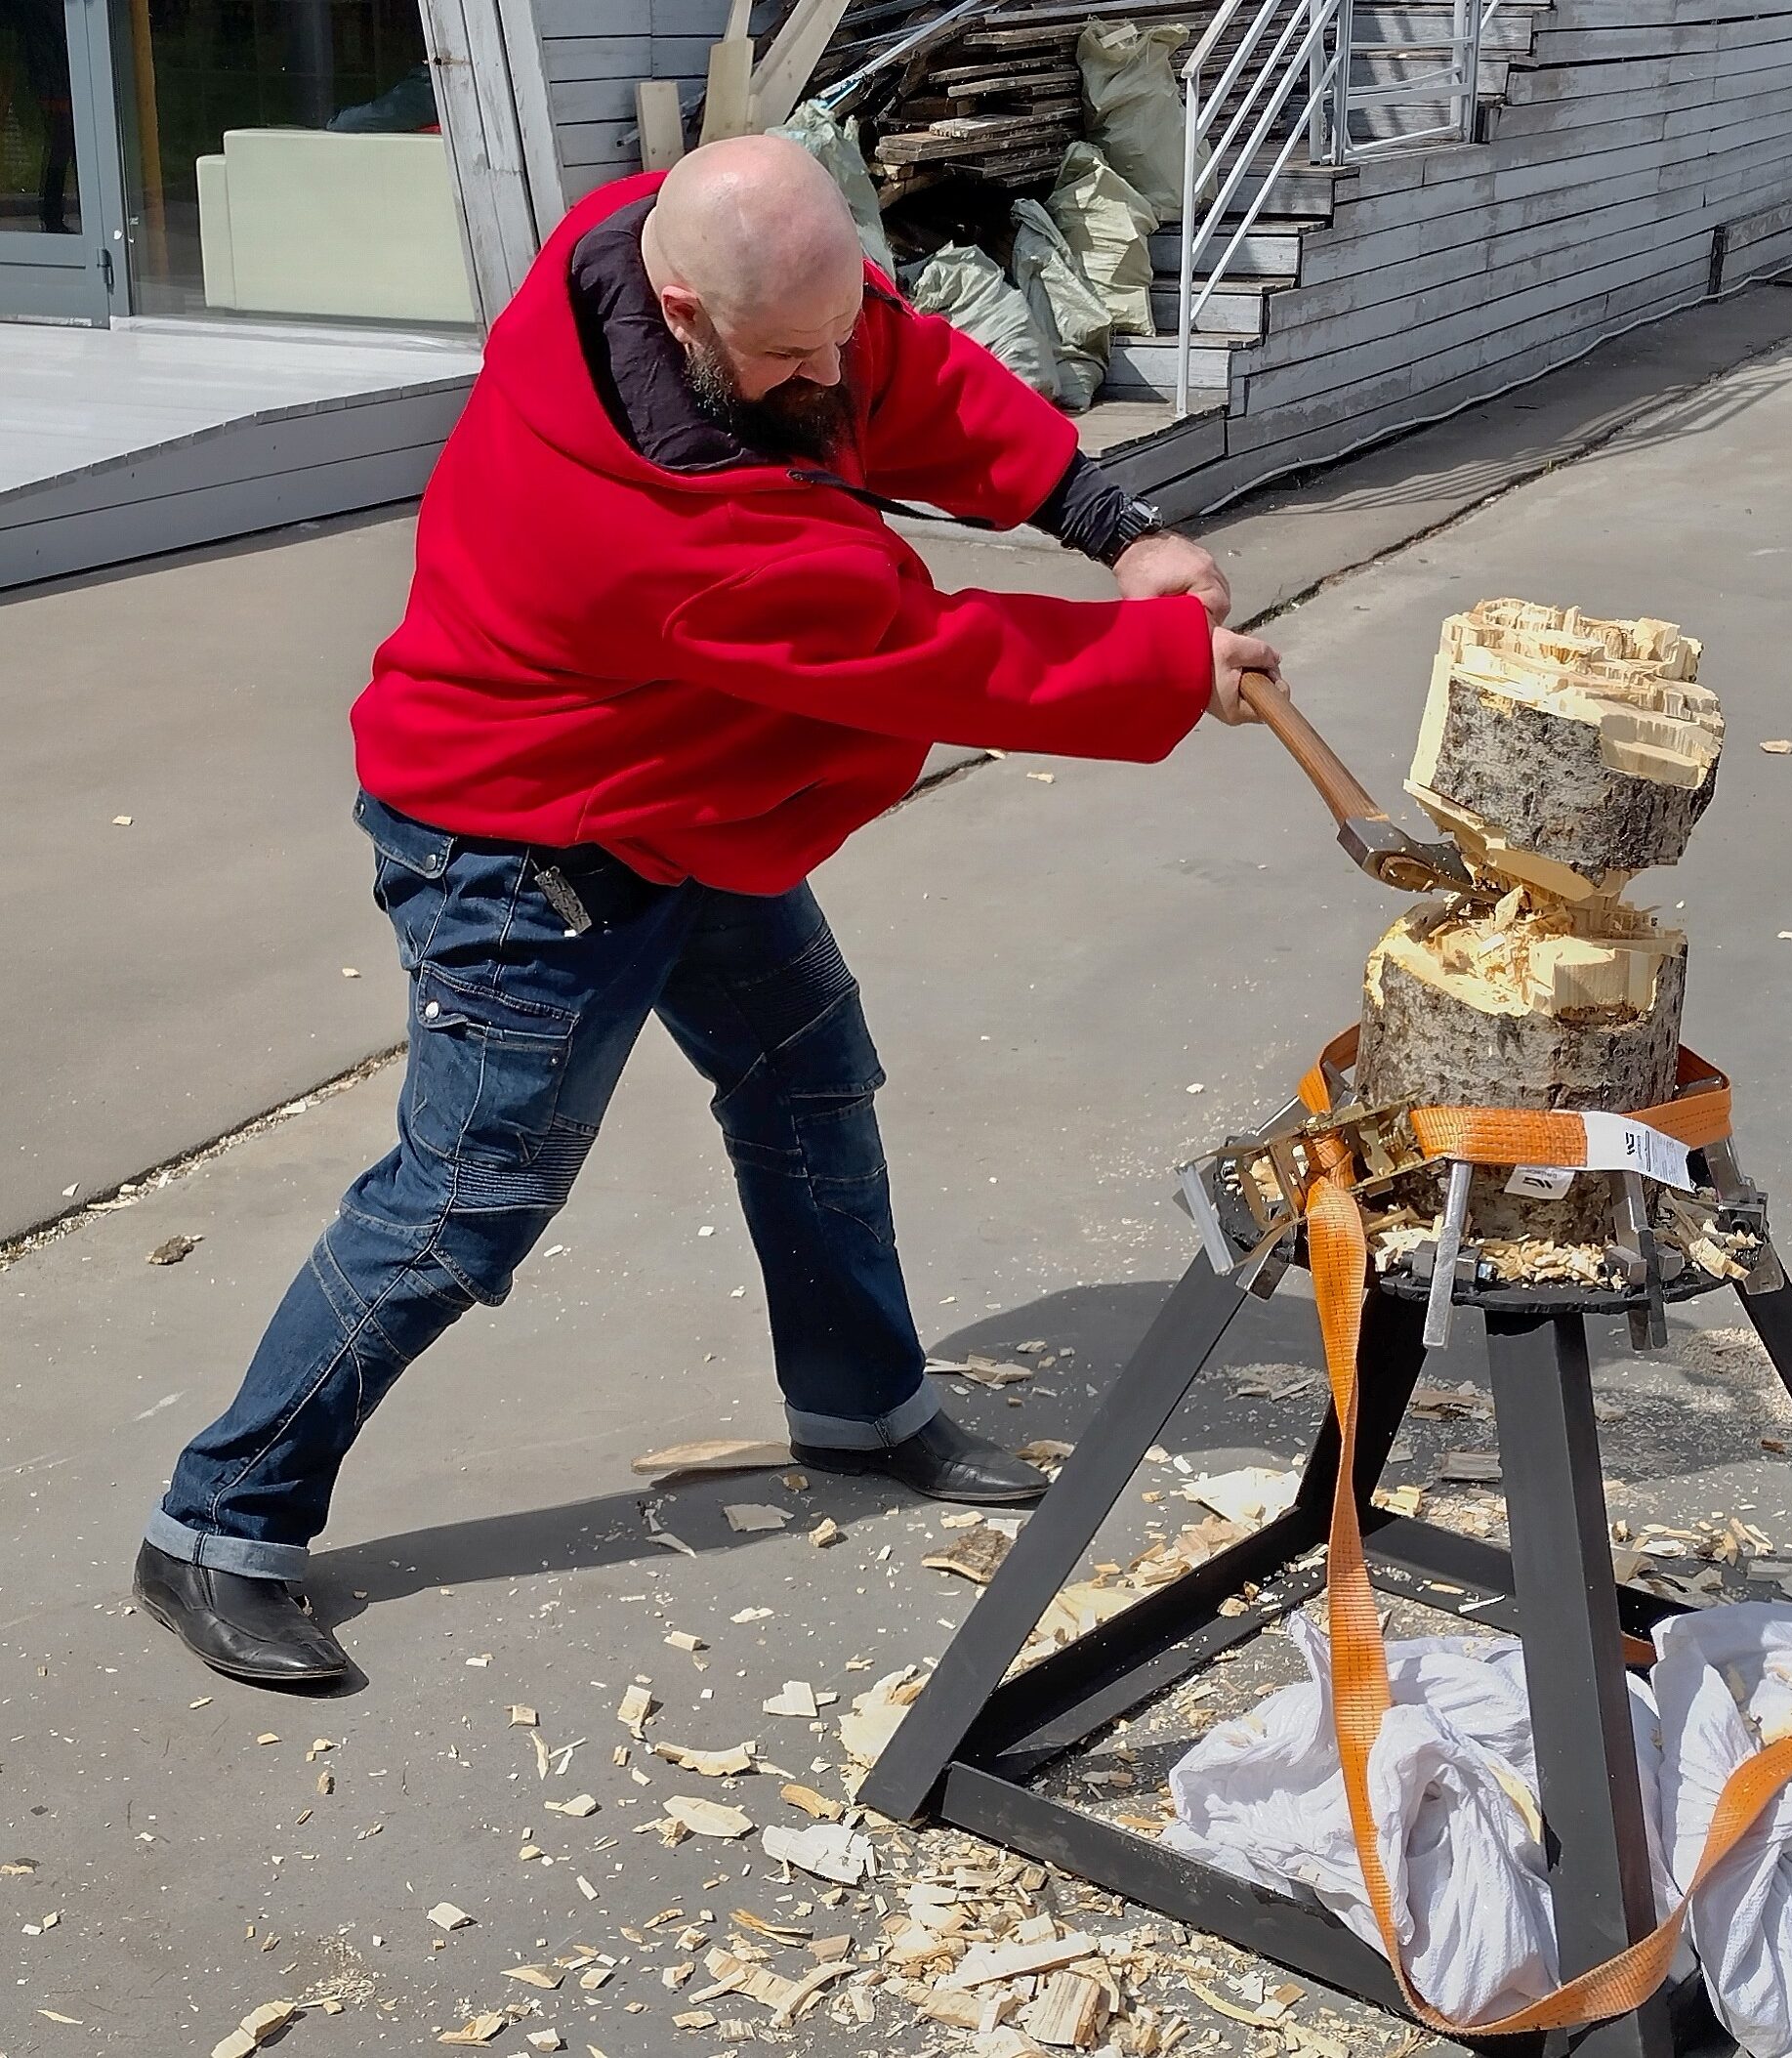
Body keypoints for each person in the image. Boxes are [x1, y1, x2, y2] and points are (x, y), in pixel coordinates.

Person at [134, 134, 1281, 1688]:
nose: (829, 371)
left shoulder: (641, 249)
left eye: (835, 325)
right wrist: (1162, 666)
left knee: (807, 1074)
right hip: (527, 851)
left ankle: (861, 1409)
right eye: (784, 351)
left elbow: (905, 368)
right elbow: (923, 654)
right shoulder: (654, 533)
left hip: (676, 807)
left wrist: (1109, 520)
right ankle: (216, 1524)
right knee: (465, 1197)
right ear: (681, 310)